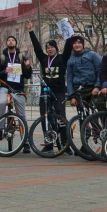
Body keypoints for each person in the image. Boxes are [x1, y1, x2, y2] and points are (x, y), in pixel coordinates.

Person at [27, 20, 73, 151]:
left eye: (52, 47)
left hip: (59, 91)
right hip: (46, 91)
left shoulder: (62, 58)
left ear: (56, 48)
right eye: (48, 48)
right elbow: (36, 47)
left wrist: (69, 29)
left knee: (61, 115)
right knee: (45, 117)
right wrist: (31, 31)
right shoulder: (43, 59)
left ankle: (65, 143)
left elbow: (68, 46)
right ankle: (48, 143)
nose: (50, 49)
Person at [0, 34, 32, 151]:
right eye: (9, 40)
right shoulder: (2, 58)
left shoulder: (21, 57)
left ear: (16, 43)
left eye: (13, 40)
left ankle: (25, 142)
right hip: (5, 86)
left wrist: (28, 67)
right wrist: (4, 71)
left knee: (22, 115)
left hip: (18, 88)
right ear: (6, 43)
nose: (11, 42)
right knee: (1, 103)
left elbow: (27, 76)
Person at [66, 34, 103, 110]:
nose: (77, 45)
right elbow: (69, 79)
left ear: (83, 44)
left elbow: (100, 70)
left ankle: (105, 118)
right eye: (74, 43)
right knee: (82, 112)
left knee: (100, 106)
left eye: (79, 43)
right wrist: (72, 96)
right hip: (79, 89)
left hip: (92, 87)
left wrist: (97, 86)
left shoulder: (92, 55)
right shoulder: (70, 60)